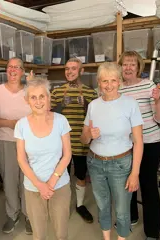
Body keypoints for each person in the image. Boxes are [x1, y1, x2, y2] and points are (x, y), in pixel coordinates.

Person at [80, 62, 144, 240]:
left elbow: (139, 141)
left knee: (123, 210)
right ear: (99, 83)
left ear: (120, 81)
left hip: (121, 164)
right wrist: (89, 135)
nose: (109, 85)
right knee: (102, 205)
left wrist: (135, 173)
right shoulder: (93, 105)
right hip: (95, 162)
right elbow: (83, 139)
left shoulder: (130, 104)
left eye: (113, 80)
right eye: (104, 81)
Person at [14, 77, 72, 240]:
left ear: (48, 98)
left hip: (59, 185)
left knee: (61, 233)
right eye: (33, 97)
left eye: (42, 96)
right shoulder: (21, 125)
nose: (38, 101)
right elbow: (21, 159)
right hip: (33, 188)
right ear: (27, 100)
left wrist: (51, 182)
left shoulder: (61, 121)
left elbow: (67, 154)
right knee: (38, 234)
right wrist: (40, 185)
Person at [118, 51, 160, 240]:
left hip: (149, 142)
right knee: (126, 183)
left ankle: (152, 232)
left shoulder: (149, 86)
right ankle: (131, 218)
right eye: (125, 64)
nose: (128, 68)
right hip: (125, 145)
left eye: (132, 64)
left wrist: (156, 100)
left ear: (139, 68)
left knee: (148, 186)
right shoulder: (118, 88)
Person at [0, 57, 32, 234]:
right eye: (10, 67)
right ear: (6, 70)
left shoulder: (30, 91)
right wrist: (9, 123)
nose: (13, 70)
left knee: (28, 180)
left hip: (29, 143)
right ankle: (12, 214)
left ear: (23, 71)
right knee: (9, 180)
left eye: (17, 67)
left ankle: (29, 214)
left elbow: (41, 113)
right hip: (4, 141)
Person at [51, 58, 97, 223]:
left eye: (73, 69)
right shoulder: (56, 92)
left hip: (81, 142)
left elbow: (95, 117)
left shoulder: (90, 92)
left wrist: (85, 104)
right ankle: (58, 205)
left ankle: (79, 205)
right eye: (67, 69)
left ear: (81, 71)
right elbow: (47, 115)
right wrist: (60, 106)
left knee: (80, 175)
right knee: (58, 174)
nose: (69, 72)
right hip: (60, 144)